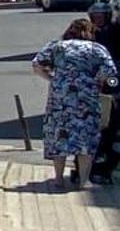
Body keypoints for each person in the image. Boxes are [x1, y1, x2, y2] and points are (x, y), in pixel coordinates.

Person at [33, 17, 117, 189]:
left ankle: (58, 179)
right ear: (89, 32)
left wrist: (52, 78)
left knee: (59, 135)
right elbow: (110, 71)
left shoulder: (56, 46)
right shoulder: (96, 48)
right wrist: (97, 82)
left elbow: (37, 65)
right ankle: (84, 181)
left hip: (59, 98)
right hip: (86, 98)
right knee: (86, 137)